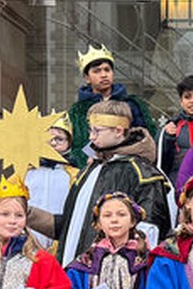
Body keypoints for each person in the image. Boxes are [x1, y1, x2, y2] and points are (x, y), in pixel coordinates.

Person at [29, 101, 175, 268]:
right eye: (91, 130)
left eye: (97, 131)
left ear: (118, 131)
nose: (91, 137)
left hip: (115, 275)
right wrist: (28, 214)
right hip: (74, 276)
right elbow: (67, 227)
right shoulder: (89, 170)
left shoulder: (143, 174)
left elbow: (149, 233)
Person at [69, 44, 157, 168]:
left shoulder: (133, 104)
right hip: (92, 167)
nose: (103, 74)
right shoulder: (78, 110)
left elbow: (145, 137)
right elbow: (77, 145)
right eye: (97, 71)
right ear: (87, 78)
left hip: (127, 166)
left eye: (107, 70)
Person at [25, 111, 77, 249]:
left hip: (62, 241)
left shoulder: (75, 175)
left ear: (69, 143)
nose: (53, 143)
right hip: (27, 240)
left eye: (60, 139)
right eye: (48, 138)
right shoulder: (24, 173)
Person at [157, 76, 193, 185]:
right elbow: (162, 163)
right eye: (187, 97)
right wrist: (167, 138)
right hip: (178, 186)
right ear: (181, 102)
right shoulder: (172, 127)